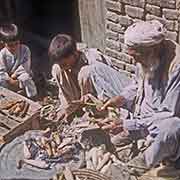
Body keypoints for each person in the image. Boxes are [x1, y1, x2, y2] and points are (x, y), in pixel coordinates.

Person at [100, 20, 180, 174]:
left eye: (135, 55)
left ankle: (143, 162)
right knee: (110, 141)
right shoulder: (146, 58)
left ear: (153, 49)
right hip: (141, 119)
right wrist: (120, 99)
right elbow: (137, 84)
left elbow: (168, 114)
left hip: (161, 125)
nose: (133, 60)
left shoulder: (176, 67)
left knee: (172, 126)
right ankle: (137, 141)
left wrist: (128, 124)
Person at [48, 34, 131, 119]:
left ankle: (99, 113)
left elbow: (107, 86)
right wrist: (63, 108)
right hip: (80, 100)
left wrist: (92, 99)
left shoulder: (93, 59)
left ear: (75, 53)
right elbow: (63, 90)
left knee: (85, 72)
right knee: (56, 69)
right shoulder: (62, 67)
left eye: (64, 64)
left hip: (103, 99)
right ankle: (71, 109)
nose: (62, 67)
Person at [0, 24, 37, 99]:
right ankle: (8, 97)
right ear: (3, 43)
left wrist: (15, 75)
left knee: (26, 78)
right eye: (10, 45)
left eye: (16, 44)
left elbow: (25, 66)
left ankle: (33, 96)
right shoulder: (2, 53)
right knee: (1, 79)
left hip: (21, 74)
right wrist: (9, 79)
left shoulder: (25, 50)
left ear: (19, 41)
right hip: (8, 78)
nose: (14, 47)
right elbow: (1, 70)